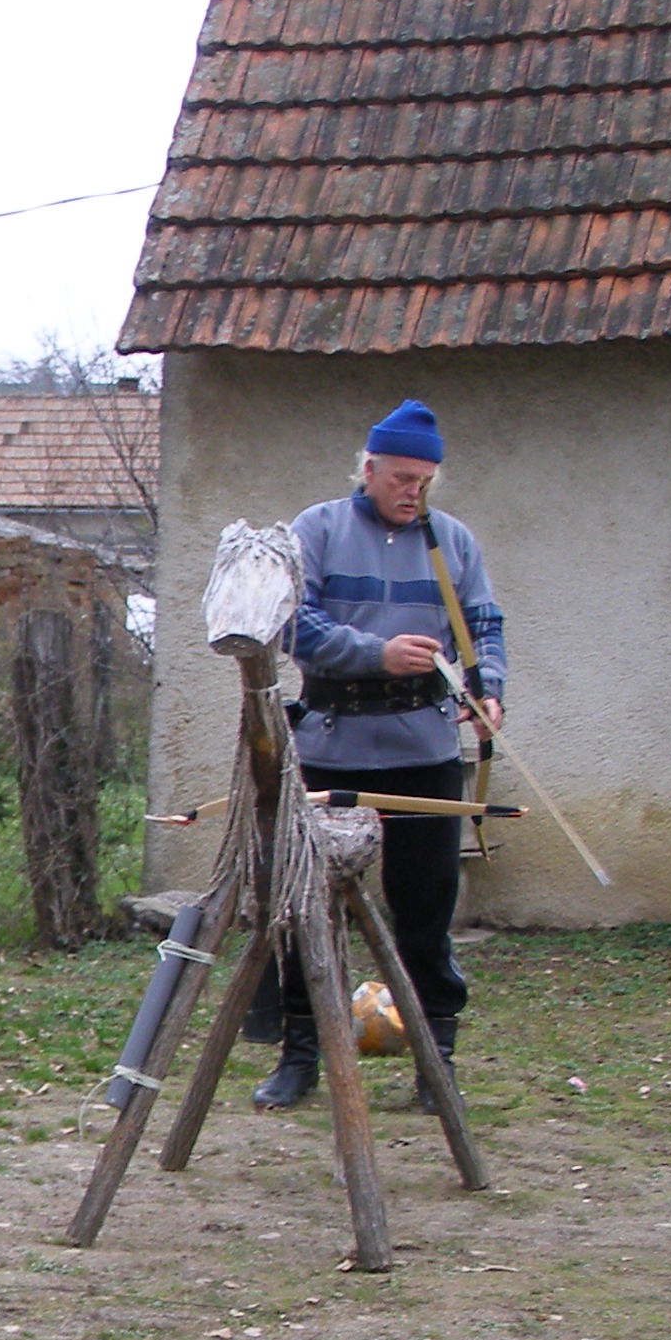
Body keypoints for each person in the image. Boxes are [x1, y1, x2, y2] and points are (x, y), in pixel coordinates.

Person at [252, 399, 507, 1110]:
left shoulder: (451, 542)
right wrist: (377, 654)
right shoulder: (318, 529)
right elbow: (291, 623)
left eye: (424, 481)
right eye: (401, 478)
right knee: (308, 908)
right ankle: (301, 1054)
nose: (412, 492)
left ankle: (435, 1061)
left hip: (424, 751)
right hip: (331, 747)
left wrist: (487, 690)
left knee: (426, 912)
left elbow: (483, 626)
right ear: (368, 469)